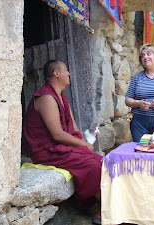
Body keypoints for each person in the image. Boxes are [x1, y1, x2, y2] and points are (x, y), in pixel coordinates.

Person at [23, 59, 102, 224]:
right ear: (56, 73)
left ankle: (102, 208)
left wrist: (85, 145)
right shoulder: (46, 97)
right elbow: (58, 134)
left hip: (62, 147)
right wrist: (83, 145)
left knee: (101, 160)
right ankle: (102, 208)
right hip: (46, 151)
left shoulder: (62, 99)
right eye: (66, 70)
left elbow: (73, 128)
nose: (69, 73)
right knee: (93, 166)